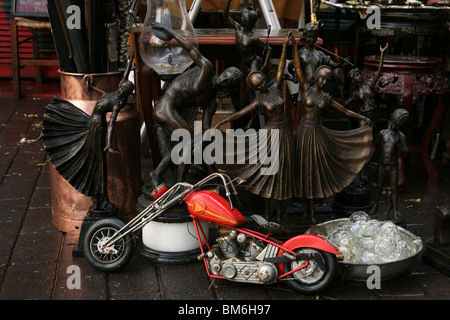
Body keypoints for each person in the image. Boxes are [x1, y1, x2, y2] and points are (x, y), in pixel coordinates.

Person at [289, 35, 373, 223]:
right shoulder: (306, 89)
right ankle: (305, 208)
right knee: (302, 169)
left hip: (317, 133)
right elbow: (297, 69)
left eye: (327, 80)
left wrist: (361, 117)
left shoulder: (326, 98)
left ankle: (312, 210)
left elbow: (343, 110)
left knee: (313, 170)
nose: (325, 82)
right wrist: (295, 48)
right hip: (304, 132)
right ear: (317, 77)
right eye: (323, 79)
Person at [214, 33, 295, 222]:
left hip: (284, 133)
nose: (263, 84)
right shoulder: (259, 99)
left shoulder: (275, 87)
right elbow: (240, 114)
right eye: (258, 84)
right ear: (256, 88)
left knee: (284, 170)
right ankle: (267, 212)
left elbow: (281, 69)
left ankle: (281, 211)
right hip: (270, 135)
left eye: (263, 80)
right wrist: (221, 122)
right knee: (269, 172)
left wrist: (285, 48)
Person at [149, 23, 243, 188]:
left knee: (190, 144)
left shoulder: (211, 101)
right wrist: (171, 32)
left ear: (230, 87)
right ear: (224, 71)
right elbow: (191, 49)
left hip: (176, 113)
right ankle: (156, 173)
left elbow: (206, 127)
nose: (227, 79)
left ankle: (180, 184)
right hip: (165, 107)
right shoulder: (207, 67)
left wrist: (209, 139)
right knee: (187, 142)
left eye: (231, 81)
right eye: (228, 75)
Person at [42, 80, 135, 212]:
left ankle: (101, 198)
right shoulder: (114, 95)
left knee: (98, 163)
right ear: (119, 86)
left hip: (97, 127)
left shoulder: (118, 102)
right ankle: (100, 199)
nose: (121, 91)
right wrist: (131, 59)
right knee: (96, 162)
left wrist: (108, 143)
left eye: (124, 91)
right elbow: (125, 74)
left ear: (126, 93)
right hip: (93, 125)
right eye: (121, 88)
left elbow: (112, 124)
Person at [369, 109, 409, 224]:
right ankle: (375, 206)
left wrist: (399, 142)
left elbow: (405, 151)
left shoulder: (401, 136)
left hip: (393, 166)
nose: (394, 124)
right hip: (382, 164)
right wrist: (367, 160)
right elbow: (375, 147)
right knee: (379, 186)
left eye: (397, 123)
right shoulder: (383, 133)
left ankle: (395, 211)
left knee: (394, 188)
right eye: (394, 121)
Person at [346, 44, 388, 130]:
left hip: (374, 112)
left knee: (372, 132)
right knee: (361, 131)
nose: (360, 75)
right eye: (357, 75)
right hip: (364, 114)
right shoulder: (356, 93)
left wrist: (382, 54)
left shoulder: (369, 84)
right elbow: (345, 104)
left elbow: (379, 70)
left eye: (359, 73)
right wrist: (341, 90)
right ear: (353, 80)